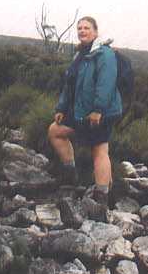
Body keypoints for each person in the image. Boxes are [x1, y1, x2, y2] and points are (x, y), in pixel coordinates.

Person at [48, 16, 122, 209]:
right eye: (79, 28)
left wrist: (98, 109)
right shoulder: (80, 55)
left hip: (100, 113)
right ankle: (71, 177)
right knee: (55, 131)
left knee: (99, 150)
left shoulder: (104, 54)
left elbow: (106, 84)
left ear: (95, 32)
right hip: (80, 112)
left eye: (86, 28)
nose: (82, 31)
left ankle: (102, 197)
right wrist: (62, 108)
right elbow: (69, 84)